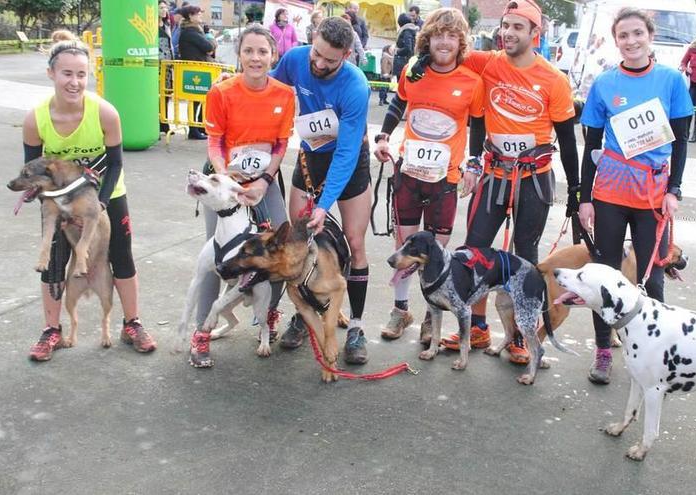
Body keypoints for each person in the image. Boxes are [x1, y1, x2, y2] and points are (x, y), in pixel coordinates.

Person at [426, 0, 579, 365]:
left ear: (534, 34)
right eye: (505, 26)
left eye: (516, 27)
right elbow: (446, 54)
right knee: (474, 250)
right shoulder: (487, 62)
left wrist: (576, 191)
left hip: (534, 179)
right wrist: (417, 66)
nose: (507, 33)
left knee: (526, 255)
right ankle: (477, 326)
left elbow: (569, 141)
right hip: (494, 175)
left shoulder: (554, 81)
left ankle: (518, 335)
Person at [22, 39, 157, 361]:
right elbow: (34, 173)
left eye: (82, 74)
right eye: (67, 73)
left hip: (107, 194)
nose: (75, 82)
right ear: (51, 73)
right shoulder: (35, 120)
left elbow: (116, 164)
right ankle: (51, 330)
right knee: (54, 262)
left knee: (121, 255)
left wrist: (100, 206)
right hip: (57, 198)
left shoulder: (105, 113)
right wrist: (57, 209)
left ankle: (132, 324)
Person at [578, 7, 693, 384]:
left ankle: (654, 352)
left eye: (637, 34)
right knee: (604, 276)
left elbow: (679, 144)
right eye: (623, 36)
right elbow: (591, 143)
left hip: (652, 194)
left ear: (649, 36)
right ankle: (602, 351)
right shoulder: (605, 84)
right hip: (610, 190)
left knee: (653, 276)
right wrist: (584, 197)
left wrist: (674, 189)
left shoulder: (671, 80)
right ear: (616, 41)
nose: (631, 41)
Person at [373, 7, 485, 342]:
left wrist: (474, 163)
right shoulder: (413, 71)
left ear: (461, 42)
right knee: (404, 244)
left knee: (435, 251)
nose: (445, 42)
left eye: (453, 36)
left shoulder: (471, 81)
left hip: (445, 180)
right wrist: (383, 136)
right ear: (428, 38)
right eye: (439, 34)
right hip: (409, 174)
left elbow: (478, 124)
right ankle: (400, 310)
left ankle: (428, 316)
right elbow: (398, 103)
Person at [188, 25, 296, 367]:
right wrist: (224, 175)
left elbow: (280, 144)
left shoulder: (284, 94)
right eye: (248, 51)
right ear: (239, 55)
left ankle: (269, 315)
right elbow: (215, 141)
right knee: (216, 256)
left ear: (272, 55)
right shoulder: (221, 92)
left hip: (263, 180)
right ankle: (201, 331)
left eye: (262, 51)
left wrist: (266, 179)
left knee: (280, 243)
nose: (255, 58)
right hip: (225, 182)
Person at [269, 17, 373, 365]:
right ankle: (303, 316)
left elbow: (345, 152)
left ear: (346, 54)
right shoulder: (295, 59)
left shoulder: (355, 86)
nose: (319, 63)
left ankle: (356, 327)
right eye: (317, 53)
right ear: (312, 41)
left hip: (348, 159)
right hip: (310, 157)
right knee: (299, 241)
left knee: (355, 244)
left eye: (330, 60)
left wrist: (324, 204)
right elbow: (270, 95)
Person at [178, 5, 214, 140]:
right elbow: (209, 47)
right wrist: (210, 37)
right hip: (194, 69)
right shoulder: (190, 32)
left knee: (199, 99)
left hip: (198, 68)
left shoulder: (194, 31)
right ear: (190, 16)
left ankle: (199, 126)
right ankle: (194, 129)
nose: (200, 16)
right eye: (198, 14)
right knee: (195, 99)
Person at [158, 1, 174, 135]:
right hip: (157, 65)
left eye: (165, 8)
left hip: (168, 65)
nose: (164, 10)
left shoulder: (167, 24)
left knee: (167, 93)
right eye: (161, 7)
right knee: (157, 94)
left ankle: (164, 123)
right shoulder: (150, 26)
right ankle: (158, 123)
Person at [394, 13, 419, 79]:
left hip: (403, 62)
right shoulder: (412, 30)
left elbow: (408, 48)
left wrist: (397, 51)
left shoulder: (406, 31)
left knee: (402, 83)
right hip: (408, 61)